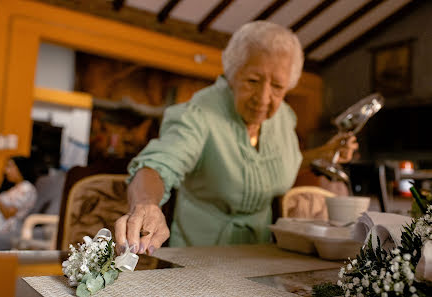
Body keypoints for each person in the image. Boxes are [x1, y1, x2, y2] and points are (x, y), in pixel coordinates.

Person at [115, 21, 358, 255]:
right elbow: (158, 164)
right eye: (253, 81)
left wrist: (324, 153)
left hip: (261, 256)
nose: (263, 98)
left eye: (277, 86)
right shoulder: (199, 114)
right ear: (232, 75)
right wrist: (146, 204)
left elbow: (277, 163)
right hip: (197, 256)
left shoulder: (284, 118)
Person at [0, 156, 37, 233]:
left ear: (21, 168)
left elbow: (8, 214)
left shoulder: (26, 188)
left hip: (3, 228)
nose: (5, 170)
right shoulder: (15, 188)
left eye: (9, 166)